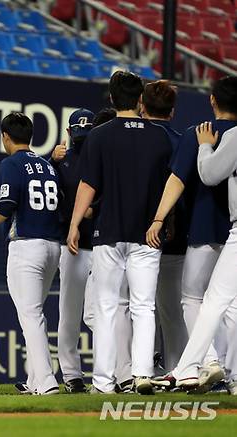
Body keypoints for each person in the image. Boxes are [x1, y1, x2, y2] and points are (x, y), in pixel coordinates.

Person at [67, 71, 172, 395]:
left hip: (108, 232)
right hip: (147, 234)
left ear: (112, 99)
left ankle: (103, 382)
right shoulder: (160, 136)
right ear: (140, 99)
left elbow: (88, 184)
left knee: (107, 307)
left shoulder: (99, 135)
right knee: (143, 307)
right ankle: (141, 373)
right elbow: (172, 184)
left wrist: (73, 225)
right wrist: (162, 220)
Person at [146, 76, 237, 386]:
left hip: (206, 228)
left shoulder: (198, 134)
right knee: (230, 305)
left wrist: (158, 218)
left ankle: (208, 361)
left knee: (193, 298)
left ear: (213, 101)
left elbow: (177, 180)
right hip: (232, 228)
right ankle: (227, 371)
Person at [0, 112, 61, 395]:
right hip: (52, 246)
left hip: (27, 246)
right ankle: (35, 380)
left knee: (30, 315)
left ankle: (47, 382)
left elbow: (6, 205)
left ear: (5, 137)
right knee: (36, 314)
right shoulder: (47, 167)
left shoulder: (11, 163)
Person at [140, 80, 189, 373]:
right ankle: (179, 372)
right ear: (171, 112)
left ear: (142, 107)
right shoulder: (183, 140)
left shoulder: (131, 137)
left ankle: (133, 373)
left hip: (133, 238)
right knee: (174, 314)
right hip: (176, 238)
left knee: (135, 309)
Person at [50, 108, 95, 394]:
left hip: (101, 244)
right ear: (68, 132)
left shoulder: (102, 156)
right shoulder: (61, 160)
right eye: (77, 134)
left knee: (97, 313)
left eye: (85, 134)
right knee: (69, 312)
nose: (80, 138)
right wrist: (49, 161)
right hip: (70, 245)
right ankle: (72, 374)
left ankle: (110, 372)